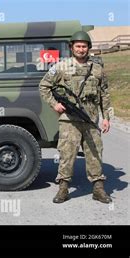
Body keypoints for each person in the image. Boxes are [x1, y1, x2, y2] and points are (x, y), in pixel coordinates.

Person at [39, 31, 112, 204]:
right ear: (72, 47)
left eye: (84, 46)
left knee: (95, 154)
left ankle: (98, 189)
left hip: (91, 120)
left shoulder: (98, 69)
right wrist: (54, 104)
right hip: (69, 121)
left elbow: (105, 95)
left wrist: (107, 117)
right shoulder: (62, 67)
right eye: (78, 46)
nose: (81, 49)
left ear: (88, 48)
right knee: (66, 154)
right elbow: (44, 86)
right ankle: (63, 189)